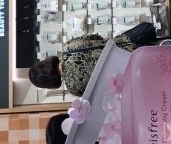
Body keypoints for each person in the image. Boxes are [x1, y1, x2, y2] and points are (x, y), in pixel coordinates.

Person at [29, 22, 157, 96]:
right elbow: (97, 38)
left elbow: (101, 93)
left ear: (49, 83)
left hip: (131, 74)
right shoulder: (68, 47)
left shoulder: (73, 87)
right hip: (129, 45)